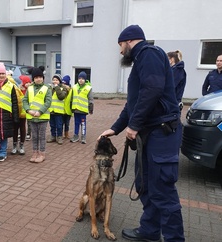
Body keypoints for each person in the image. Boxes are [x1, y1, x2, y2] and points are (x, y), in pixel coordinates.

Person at [99, 25, 185, 242]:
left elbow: (152, 91)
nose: (120, 52)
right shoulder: (142, 61)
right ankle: (149, 231)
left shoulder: (149, 54)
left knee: (163, 191)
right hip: (151, 135)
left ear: (129, 41)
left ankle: (175, 238)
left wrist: (134, 125)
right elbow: (133, 103)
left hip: (162, 134)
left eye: (120, 45)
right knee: (146, 185)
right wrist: (116, 128)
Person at [22, 66, 52, 163]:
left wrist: (40, 112)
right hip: (31, 117)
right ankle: (35, 152)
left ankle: (42, 153)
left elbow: (48, 102)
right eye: (36, 77)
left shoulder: (47, 88)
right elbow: (25, 101)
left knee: (41, 136)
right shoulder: (30, 88)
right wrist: (28, 110)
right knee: (34, 136)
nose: (38, 79)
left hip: (42, 117)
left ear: (43, 78)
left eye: (40, 77)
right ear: (33, 79)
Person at [70, 71, 93, 144]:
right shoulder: (74, 87)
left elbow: (90, 99)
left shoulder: (88, 88)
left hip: (83, 110)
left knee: (83, 123)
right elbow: (71, 98)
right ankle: (76, 135)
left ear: (85, 79)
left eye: (82, 78)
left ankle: (83, 136)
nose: (81, 80)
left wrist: (91, 108)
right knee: (76, 123)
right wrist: (71, 107)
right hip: (76, 109)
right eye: (79, 78)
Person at [8, 73, 27, 155]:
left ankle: (21, 145)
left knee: (22, 128)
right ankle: (15, 145)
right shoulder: (13, 87)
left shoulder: (23, 88)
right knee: (15, 129)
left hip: (22, 110)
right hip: (15, 110)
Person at [47, 74, 68, 145]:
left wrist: (57, 87)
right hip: (51, 110)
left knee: (59, 125)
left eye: (56, 80)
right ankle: (53, 136)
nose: (55, 81)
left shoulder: (63, 88)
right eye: (54, 80)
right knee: (52, 125)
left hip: (58, 111)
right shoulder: (50, 88)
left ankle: (59, 137)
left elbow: (61, 96)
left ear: (59, 81)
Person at [19, 75, 32, 141]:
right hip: (21, 108)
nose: (27, 84)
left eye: (28, 82)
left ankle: (29, 134)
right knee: (21, 122)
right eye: (26, 83)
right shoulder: (20, 90)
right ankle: (20, 133)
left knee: (29, 122)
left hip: (29, 108)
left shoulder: (31, 89)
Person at [62, 75, 72, 139]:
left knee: (67, 123)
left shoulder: (71, 90)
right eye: (63, 83)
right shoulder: (61, 89)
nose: (64, 85)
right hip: (62, 110)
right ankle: (61, 134)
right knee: (61, 123)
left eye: (65, 83)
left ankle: (66, 134)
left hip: (68, 110)